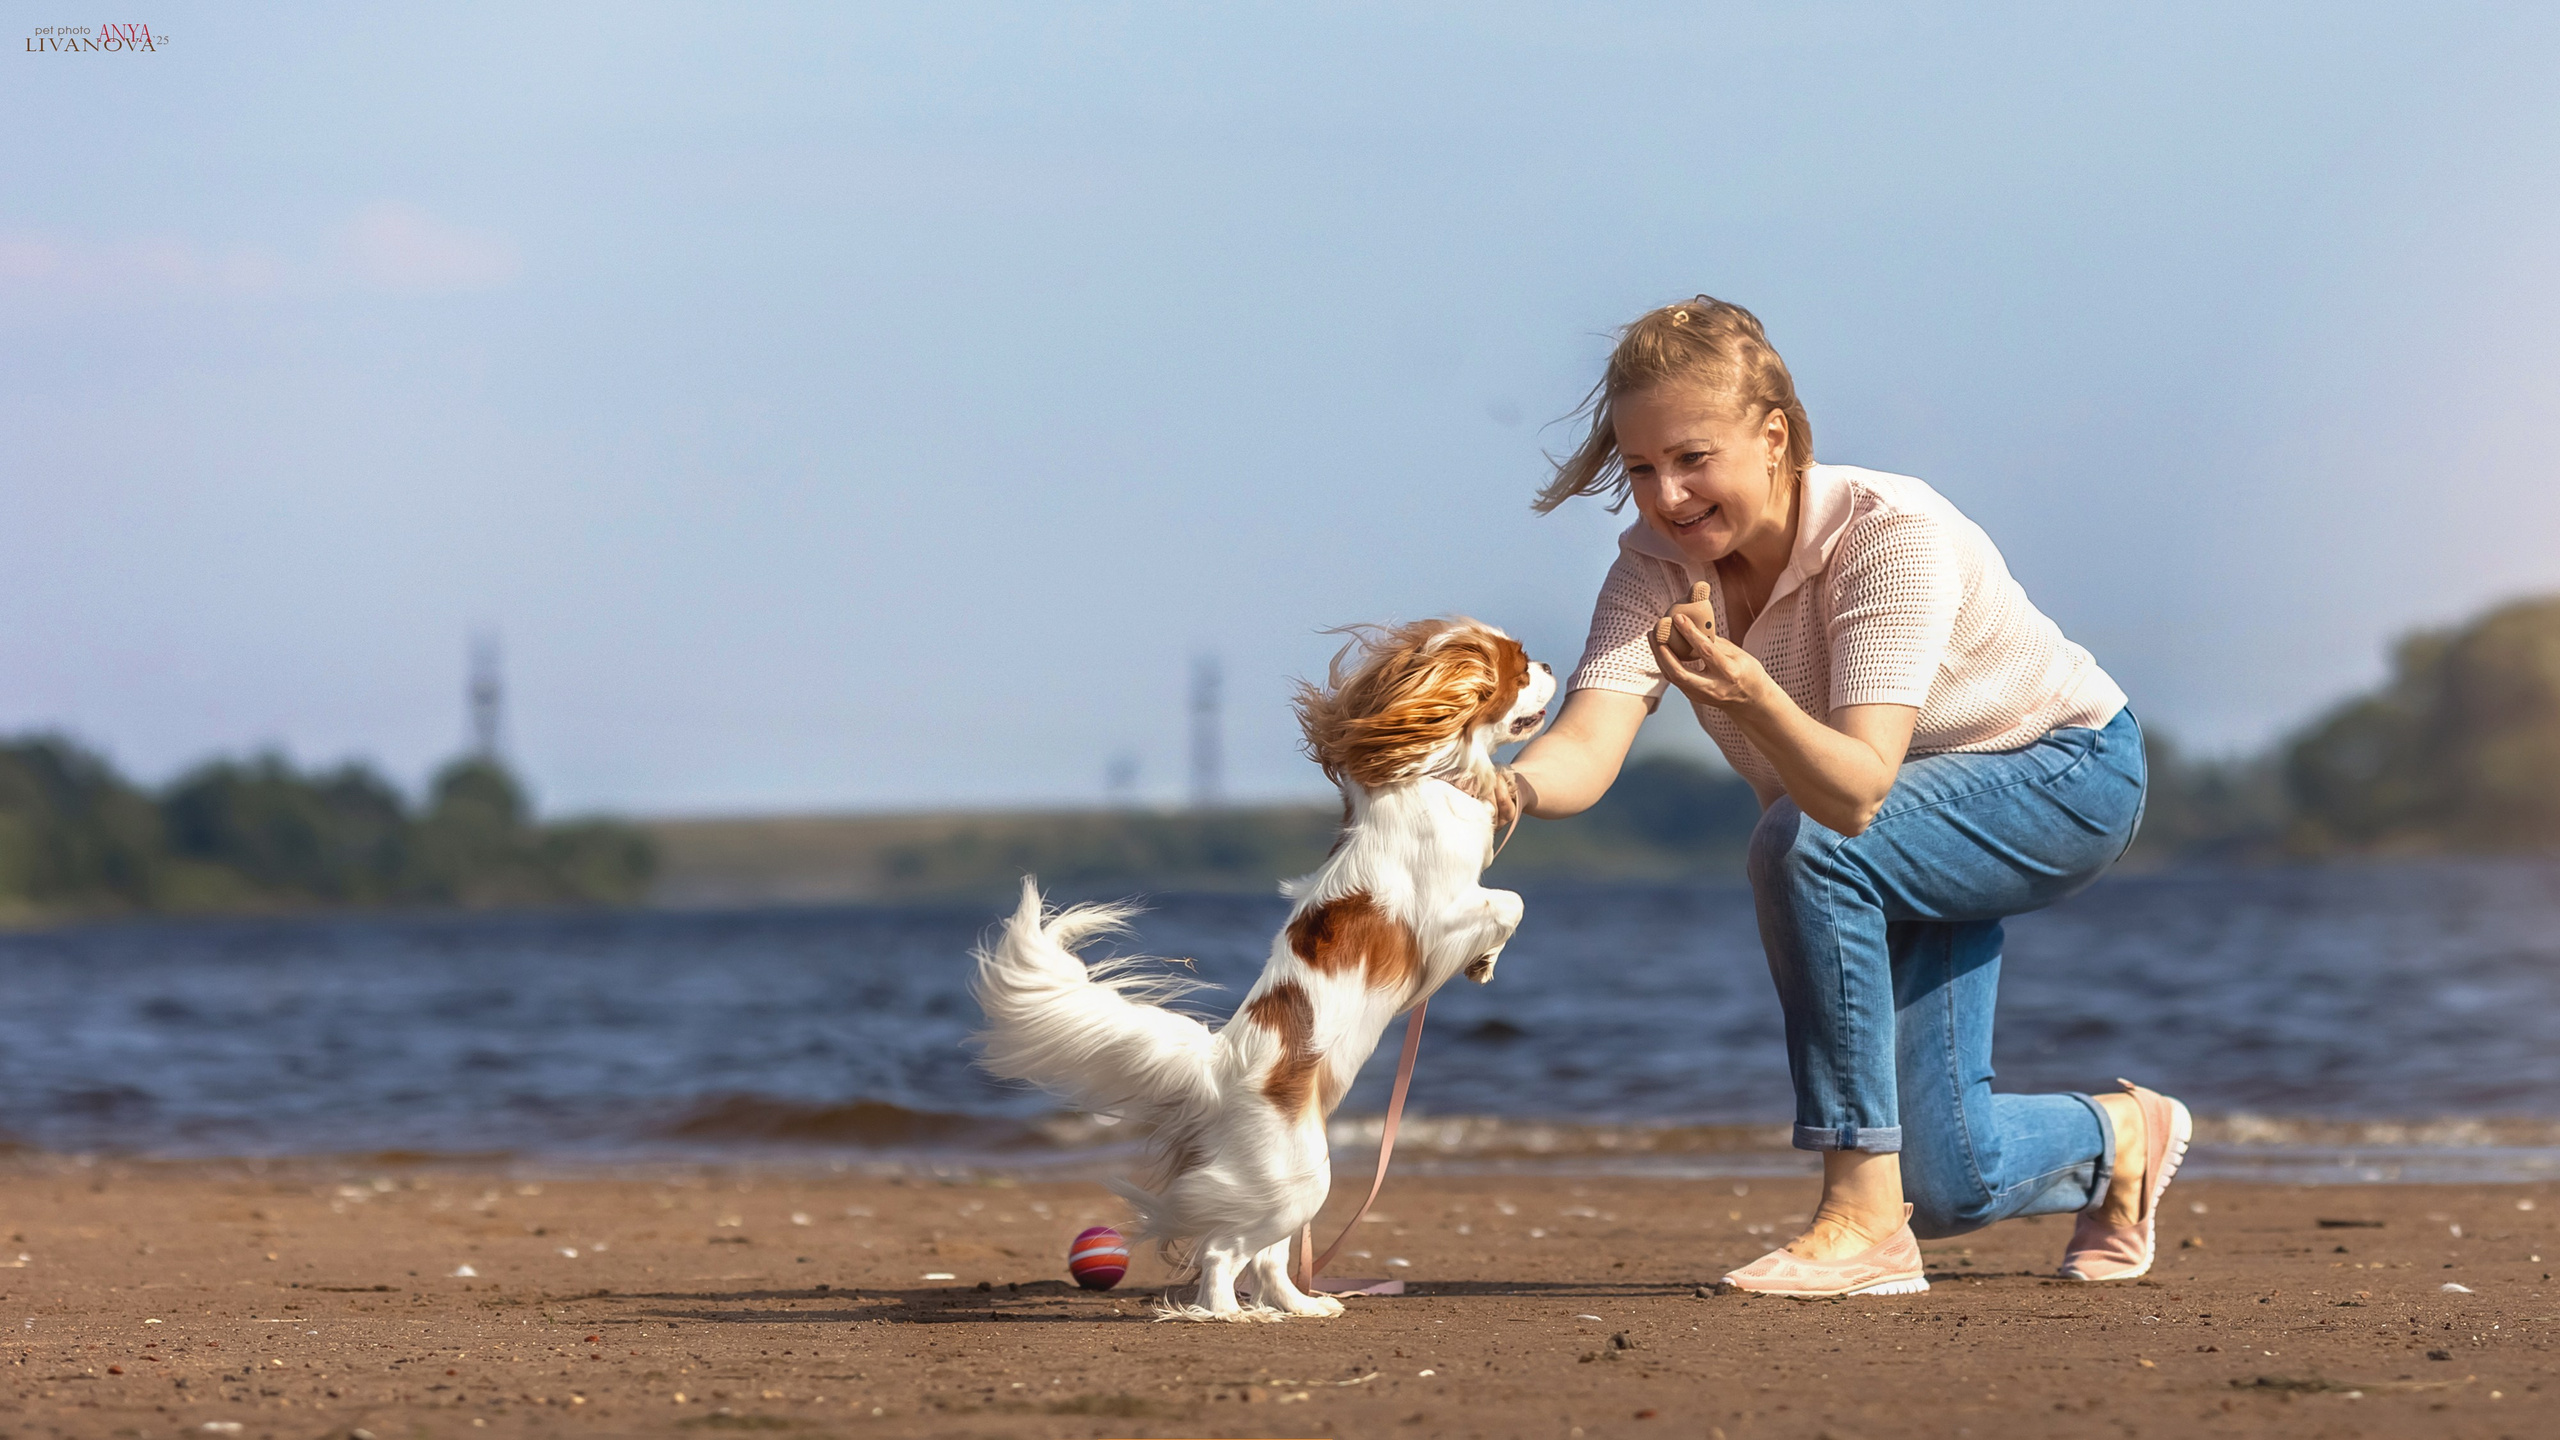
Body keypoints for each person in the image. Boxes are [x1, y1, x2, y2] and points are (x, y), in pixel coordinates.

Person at [1506, 296, 2185, 1298]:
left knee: (1807, 842)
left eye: (1692, 458)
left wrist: (1751, 692)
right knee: (1947, 1182)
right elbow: (1584, 747)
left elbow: (1858, 789)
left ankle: (1860, 1223)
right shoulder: (1652, 570)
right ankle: (2117, 1141)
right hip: (1895, 828)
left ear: (1772, 434)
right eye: (1641, 469)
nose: (1667, 497)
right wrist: (1492, 788)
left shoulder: (1885, 533)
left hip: (2062, 770)